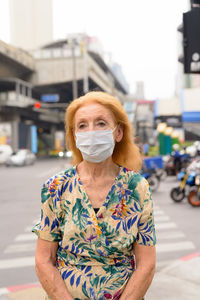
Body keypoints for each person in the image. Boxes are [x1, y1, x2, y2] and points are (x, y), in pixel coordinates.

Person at [33, 91, 156, 300]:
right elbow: (44, 259)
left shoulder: (138, 188)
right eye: (82, 125)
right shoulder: (56, 187)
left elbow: (147, 263)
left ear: (118, 133)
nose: (91, 132)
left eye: (101, 123)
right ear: (74, 136)